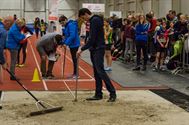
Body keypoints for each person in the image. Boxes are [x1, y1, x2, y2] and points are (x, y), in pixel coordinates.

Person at [77, 8, 116, 102]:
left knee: (100, 71)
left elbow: (93, 38)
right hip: (94, 49)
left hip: (98, 49)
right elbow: (90, 36)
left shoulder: (95, 20)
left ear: (86, 14)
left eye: (83, 17)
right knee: (96, 72)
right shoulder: (92, 21)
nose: (84, 19)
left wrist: (81, 49)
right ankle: (98, 94)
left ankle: (112, 92)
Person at [0, 16, 14, 109]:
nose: (11, 26)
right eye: (11, 24)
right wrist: (3, 61)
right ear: (7, 22)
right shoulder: (3, 31)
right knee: (0, 81)